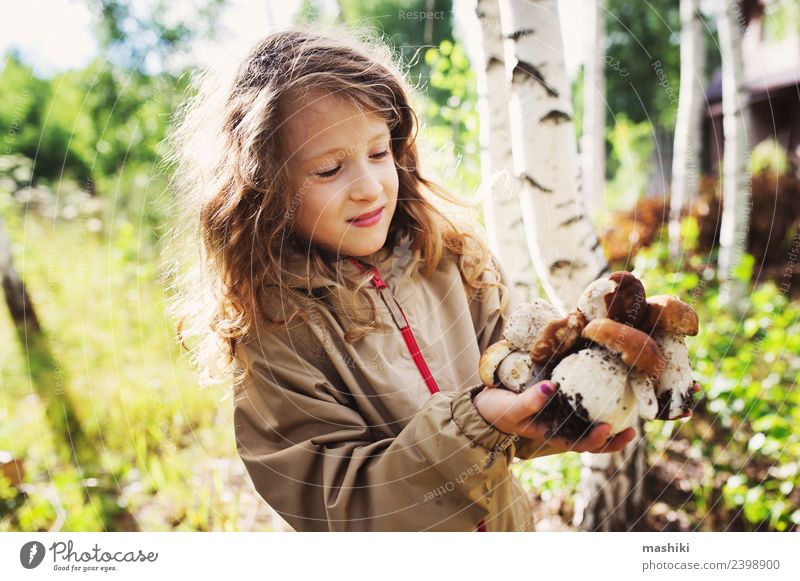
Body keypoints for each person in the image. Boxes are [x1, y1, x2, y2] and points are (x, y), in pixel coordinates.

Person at [167, 26, 635, 532]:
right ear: (265, 190)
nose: (369, 188)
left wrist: (580, 393)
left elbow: (520, 387)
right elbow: (338, 506)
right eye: (328, 169)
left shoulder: (454, 260)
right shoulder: (277, 331)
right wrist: (476, 424)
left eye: (377, 153)